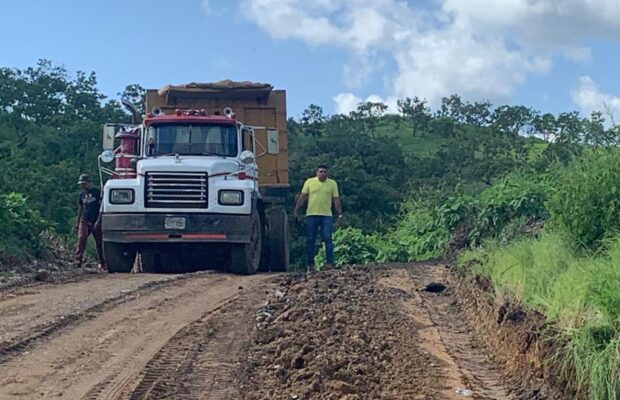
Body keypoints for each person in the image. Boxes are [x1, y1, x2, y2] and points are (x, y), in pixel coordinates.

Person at [293, 165, 343, 270]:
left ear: (327, 173)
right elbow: (302, 197)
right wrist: (296, 210)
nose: (323, 173)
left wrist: (339, 214)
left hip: (326, 215)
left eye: (325, 172)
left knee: (328, 238)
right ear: (317, 172)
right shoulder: (309, 182)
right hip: (311, 215)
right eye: (321, 171)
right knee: (311, 239)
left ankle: (329, 263)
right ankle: (310, 264)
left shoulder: (332, 184)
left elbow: (336, 200)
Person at [75, 174, 106, 271]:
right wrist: (77, 222)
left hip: (95, 220)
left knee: (99, 242)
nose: (82, 185)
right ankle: (78, 261)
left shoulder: (97, 192)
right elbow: (80, 208)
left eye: (84, 183)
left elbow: (101, 206)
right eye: (81, 184)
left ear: (89, 182)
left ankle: (101, 262)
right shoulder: (81, 194)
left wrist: (99, 220)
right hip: (84, 220)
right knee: (81, 238)